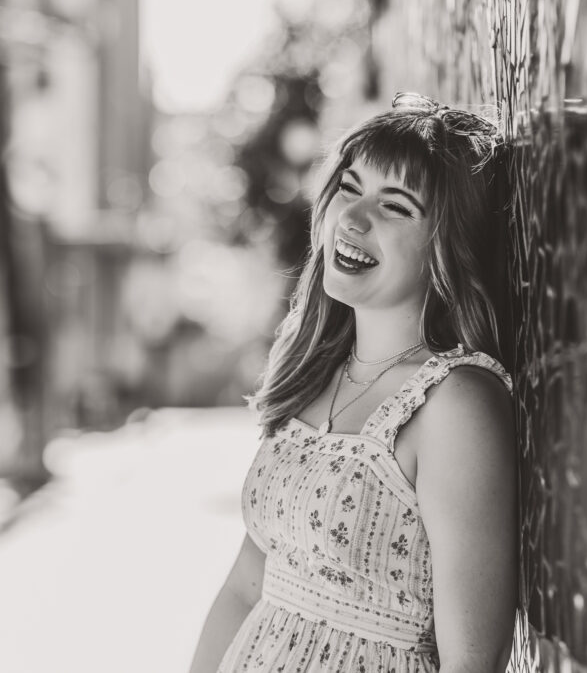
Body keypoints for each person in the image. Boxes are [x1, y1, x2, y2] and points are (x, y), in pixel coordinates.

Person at [189, 93, 519, 673]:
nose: (353, 218)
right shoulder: (316, 374)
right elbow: (247, 585)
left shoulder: (454, 402)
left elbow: (473, 663)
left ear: (447, 243)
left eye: (395, 207)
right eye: (349, 188)